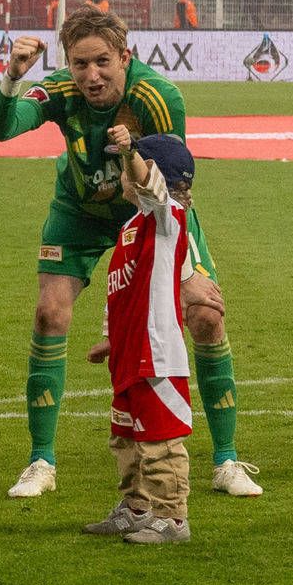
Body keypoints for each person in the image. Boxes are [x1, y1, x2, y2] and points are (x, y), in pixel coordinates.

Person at [0, 15, 253, 500]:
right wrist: (12, 77)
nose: (92, 76)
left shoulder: (158, 98)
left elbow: (175, 188)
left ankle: (227, 460)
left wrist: (186, 273)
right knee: (49, 313)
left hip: (146, 208)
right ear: (68, 64)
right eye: (80, 64)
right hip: (79, 211)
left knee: (207, 316)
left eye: (103, 62)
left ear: (125, 57)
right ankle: (41, 461)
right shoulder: (60, 90)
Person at [85, 123, 204, 545]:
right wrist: (110, 338)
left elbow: (153, 187)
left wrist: (129, 150)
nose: (120, 174)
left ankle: (172, 519)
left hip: (157, 353)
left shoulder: (166, 218)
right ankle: (136, 508)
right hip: (128, 353)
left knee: (160, 440)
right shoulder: (132, 226)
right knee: (127, 438)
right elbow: (122, 291)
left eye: (126, 168)